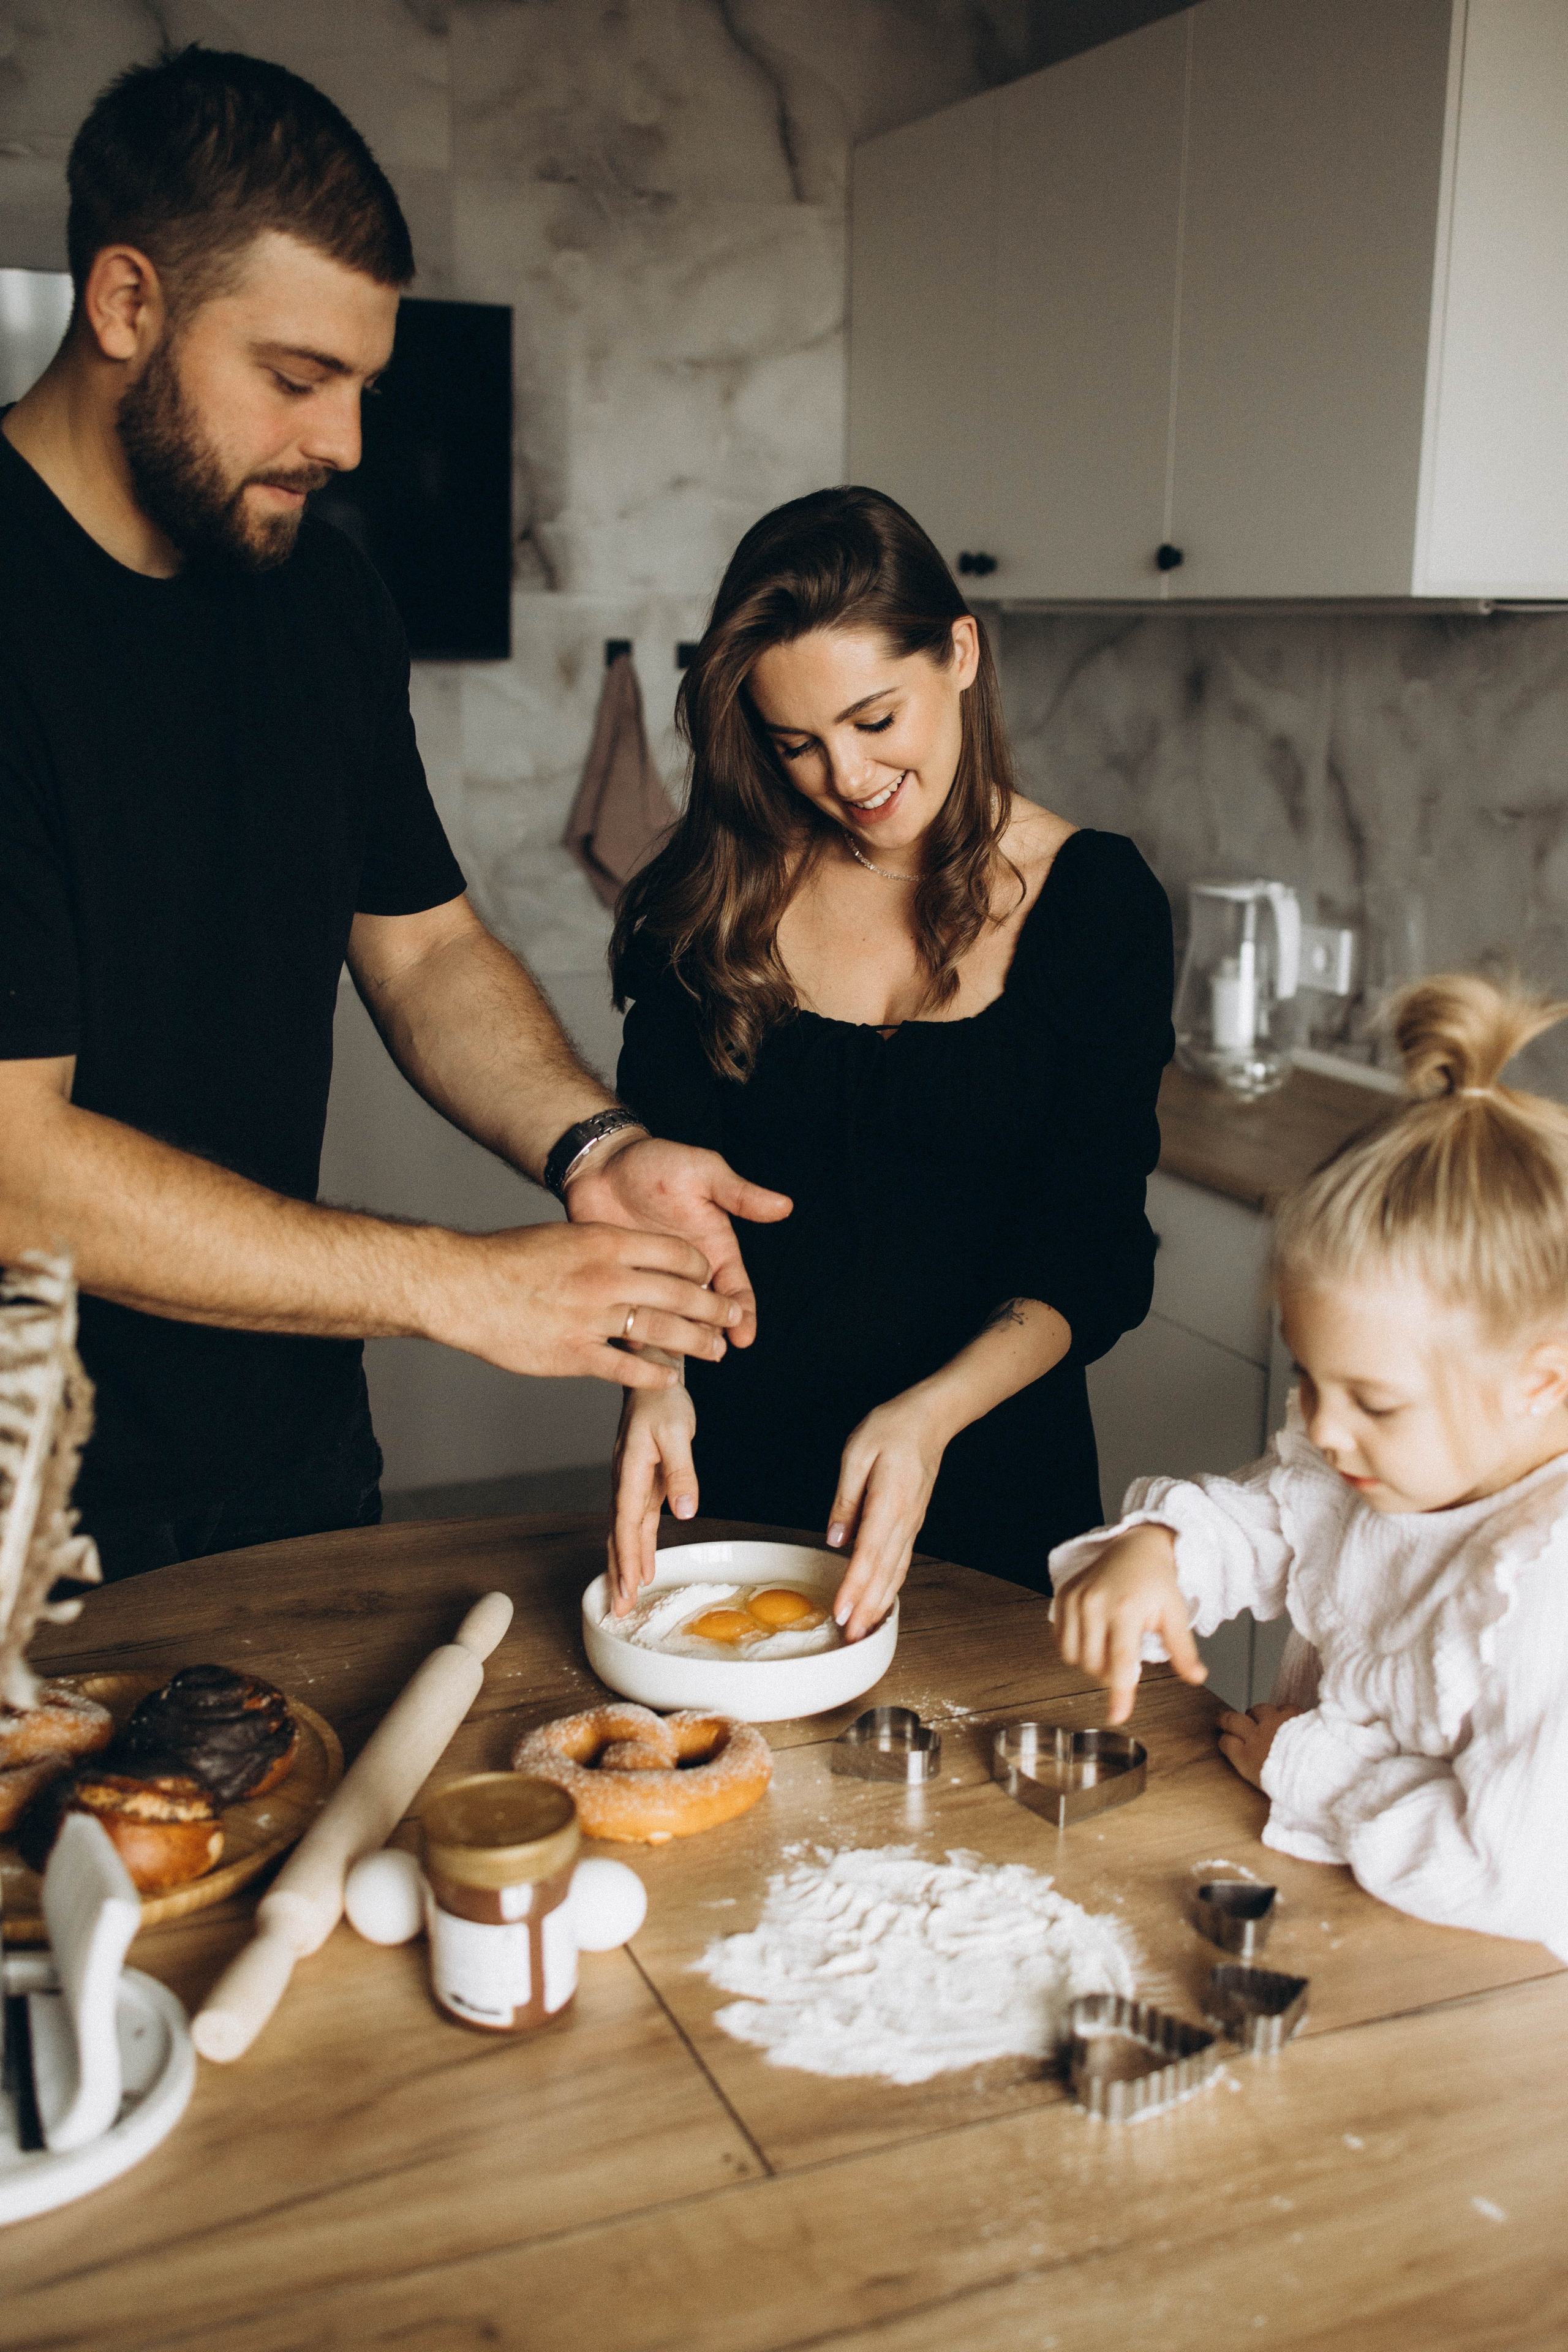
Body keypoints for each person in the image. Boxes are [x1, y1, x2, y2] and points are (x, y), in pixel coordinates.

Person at [0, 48, 788, 1581]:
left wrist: (593, 1147)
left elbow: (422, 952)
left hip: (285, 1445)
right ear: (124, 304)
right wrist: (454, 1286)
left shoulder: (320, 595)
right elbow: (11, 1160)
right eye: (296, 379)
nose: (346, 442)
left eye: (363, 383)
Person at [606, 486, 1174, 1637]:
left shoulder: (1097, 902)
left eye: (876, 720)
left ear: (960, 652)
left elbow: (1092, 1248)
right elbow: (648, 1196)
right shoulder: (707, 899)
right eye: (796, 744)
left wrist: (926, 1419)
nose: (846, 778)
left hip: (992, 1479)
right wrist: (652, 1384)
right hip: (730, 1487)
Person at [1052, 974, 1568, 1961]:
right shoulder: (1378, 1466)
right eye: (1308, 1377)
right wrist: (1161, 1550)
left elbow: (1510, 1874)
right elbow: (1268, 1522)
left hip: (1484, 1992)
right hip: (1343, 1900)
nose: (1325, 1430)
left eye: (1373, 1401)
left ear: (1540, 1381)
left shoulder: (1542, 1587)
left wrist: (1308, 1764)